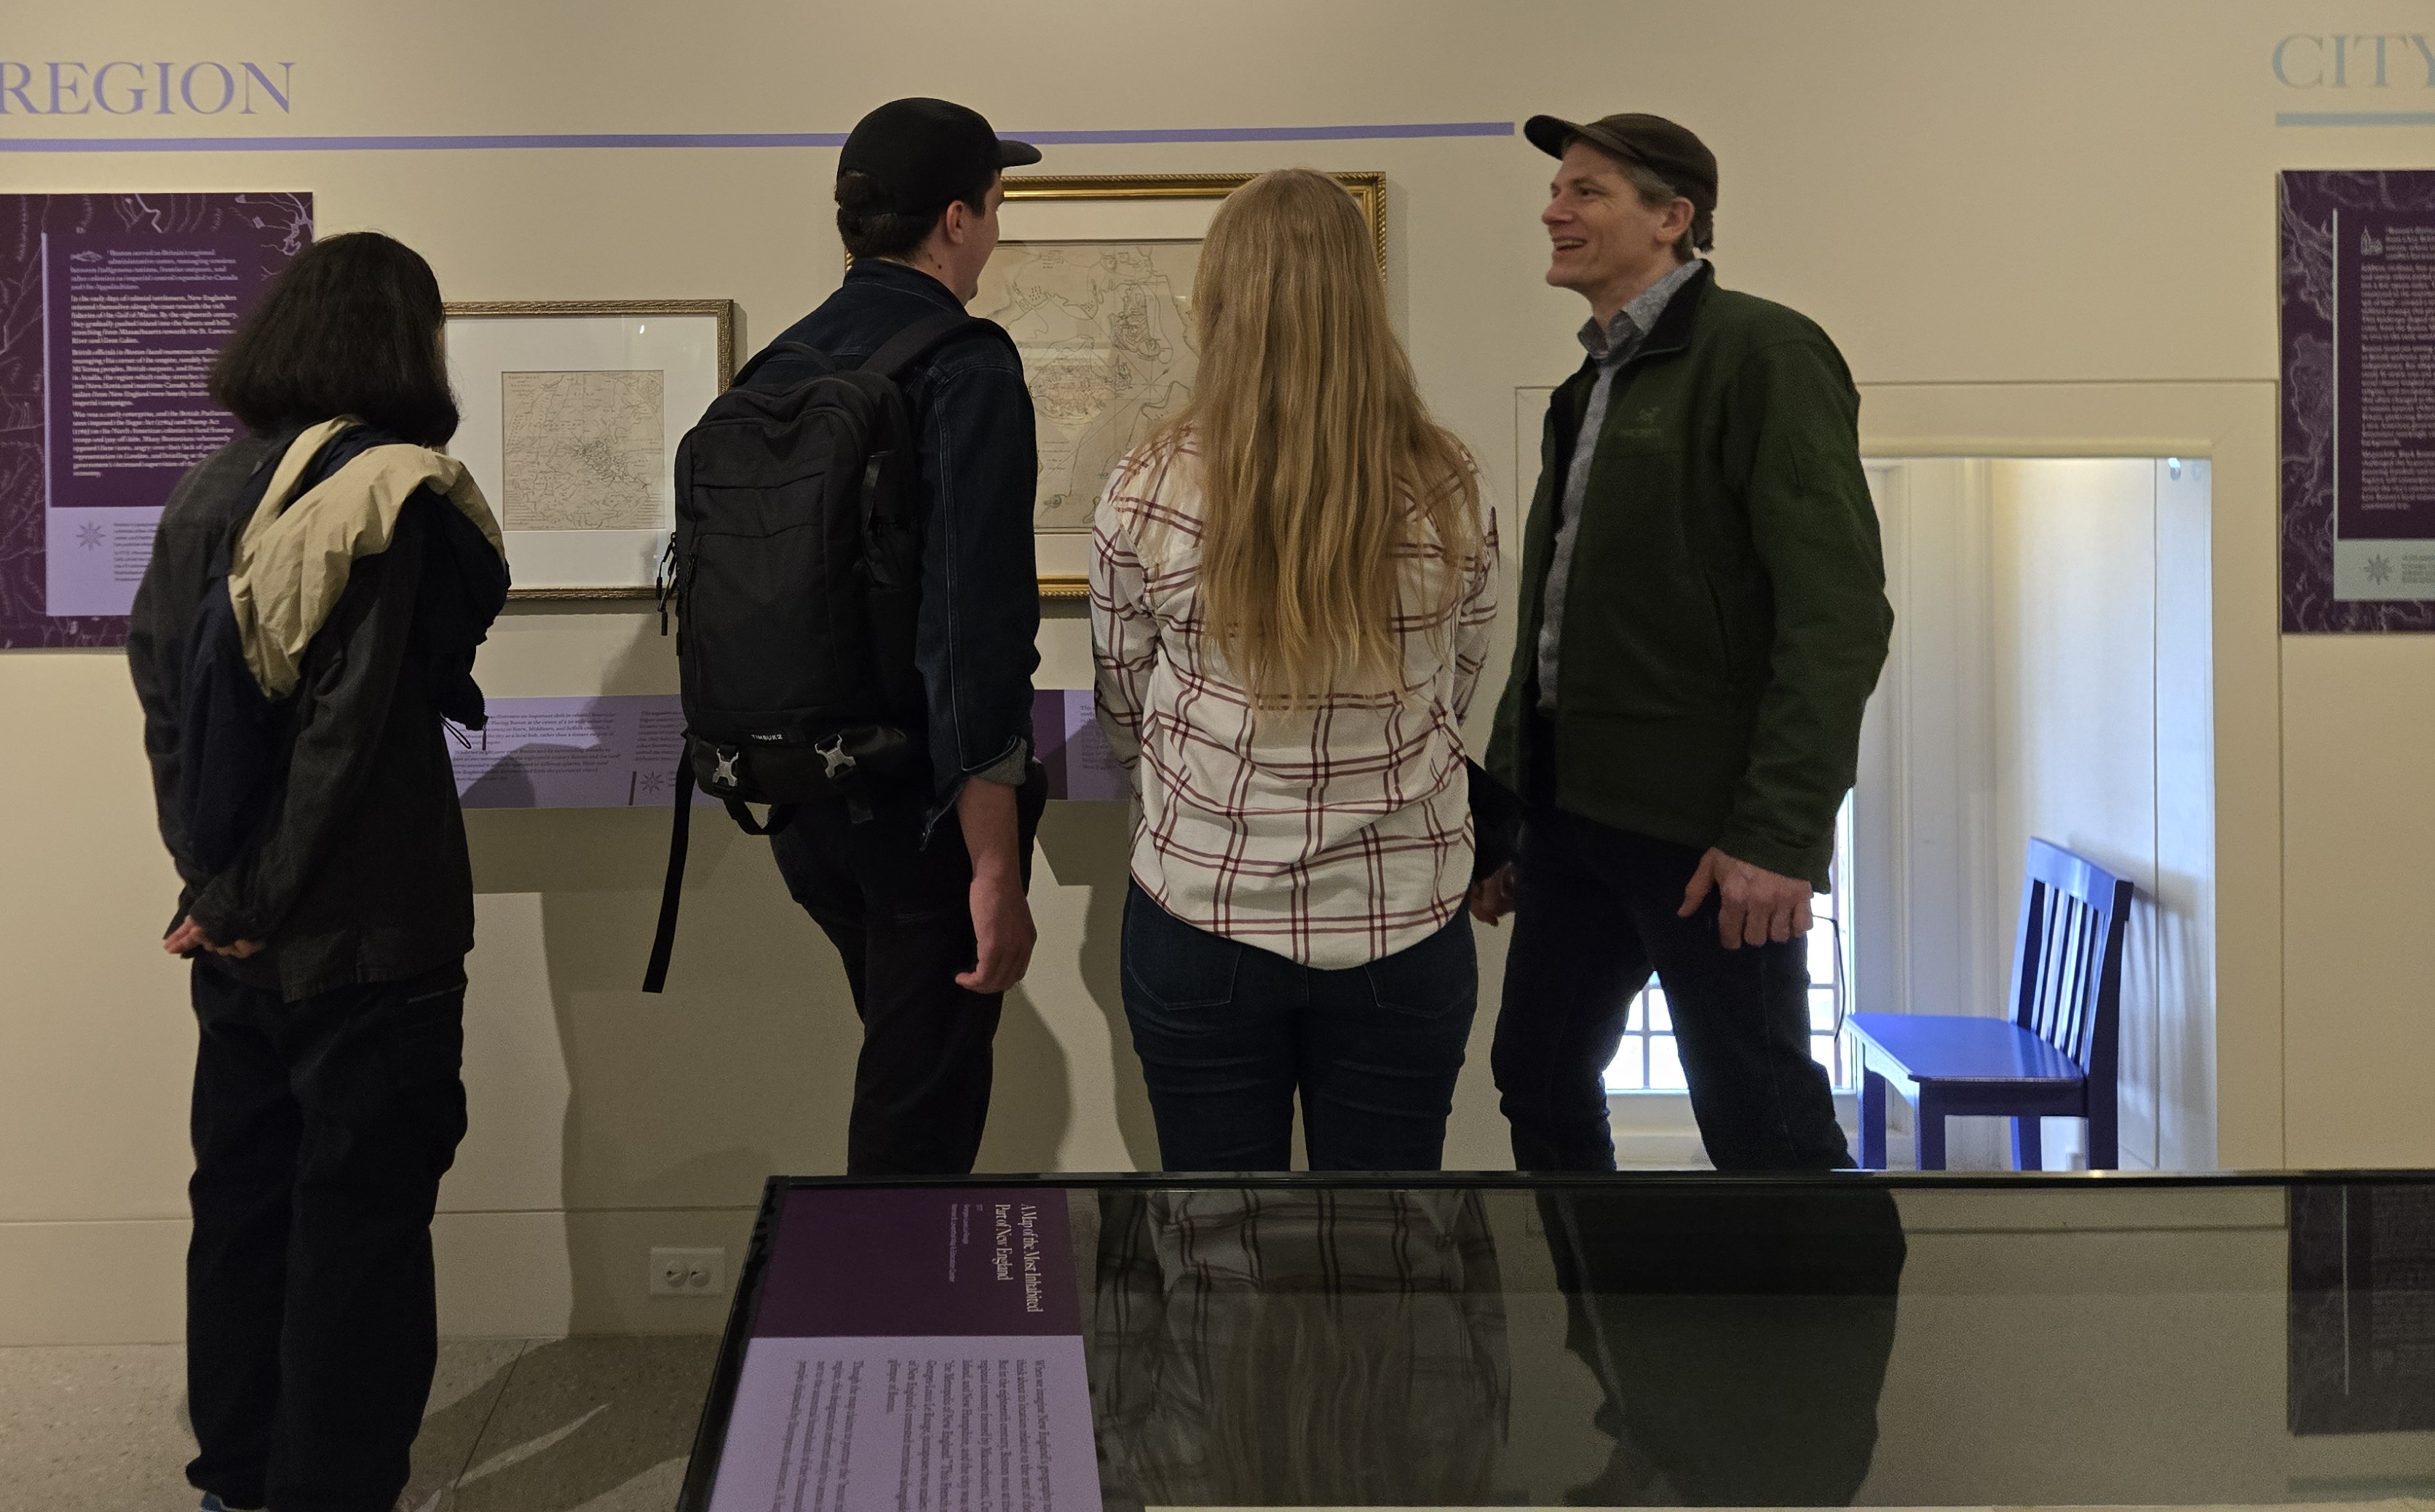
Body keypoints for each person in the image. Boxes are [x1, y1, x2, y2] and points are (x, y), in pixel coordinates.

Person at [127, 231, 512, 1512]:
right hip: (370, 933)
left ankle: (238, 1473)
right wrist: (253, 898)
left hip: (236, 940)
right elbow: (346, 741)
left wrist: (215, 892)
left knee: (241, 1208)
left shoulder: (201, 496)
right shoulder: (390, 495)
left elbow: (163, 712)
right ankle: (331, 1492)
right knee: (360, 1231)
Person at [1478, 114, 1892, 1173]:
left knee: (1760, 1116)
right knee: (1536, 1076)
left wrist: (1779, 834)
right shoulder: (1587, 390)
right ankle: (1608, 1329)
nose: (1553, 211)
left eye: (1588, 192)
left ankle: (1834, 1335)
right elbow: (1556, 628)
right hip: (1573, 826)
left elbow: (1836, 612)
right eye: (1558, 190)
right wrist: (1509, 814)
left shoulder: (1764, 352)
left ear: (1674, 219)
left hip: (1713, 841)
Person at [1092, 168, 1500, 1172]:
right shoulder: (1447, 481)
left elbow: (1122, 700)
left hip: (1203, 911)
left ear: (1220, 300)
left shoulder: (1149, 483)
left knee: (1217, 1240)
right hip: (1403, 915)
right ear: (1362, 299)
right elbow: (1459, 683)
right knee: (1389, 1247)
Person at [744, 96, 1046, 1176]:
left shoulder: (781, 363)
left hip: (801, 798)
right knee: (918, 1127)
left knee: (900, 1067)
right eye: (997, 205)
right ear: (957, 220)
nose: (997, 233)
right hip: (921, 810)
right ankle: (887, 1339)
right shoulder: (963, 365)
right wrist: (995, 864)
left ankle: (884, 1322)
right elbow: (972, 635)